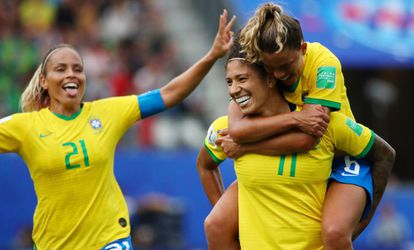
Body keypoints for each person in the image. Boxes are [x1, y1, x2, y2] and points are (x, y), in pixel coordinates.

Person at [0, 10, 235, 250]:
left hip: (110, 239)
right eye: (61, 69)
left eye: (77, 69)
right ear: (43, 81)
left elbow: (169, 94)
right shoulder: (24, 126)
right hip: (54, 243)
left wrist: (212, 56)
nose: (71, 74)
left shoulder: (107, 112)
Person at [203, 2, 392, 249]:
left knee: (334, 233)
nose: (280, 74)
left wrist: (248, 147)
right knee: (215, 224)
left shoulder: (323, 62)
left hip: (339, 153)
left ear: (303, 49)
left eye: (286, 66)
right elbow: (236, 131)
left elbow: (309, 138)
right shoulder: (266, 69)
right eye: (272, 69)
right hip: (297, 147)